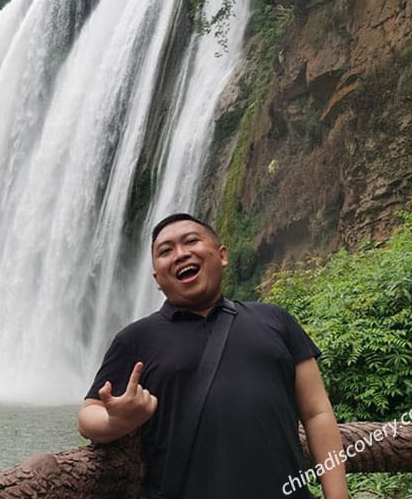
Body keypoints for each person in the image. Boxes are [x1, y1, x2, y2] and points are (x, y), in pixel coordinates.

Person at [78, 213, 349, 499]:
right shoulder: (135, 338)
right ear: (157, 279)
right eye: (166, 251)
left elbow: (317, 413)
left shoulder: (276, 321)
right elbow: (88, 416)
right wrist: (117, 420)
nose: (180, 254)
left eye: (191, 241)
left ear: (222, 256)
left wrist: (338, 496)